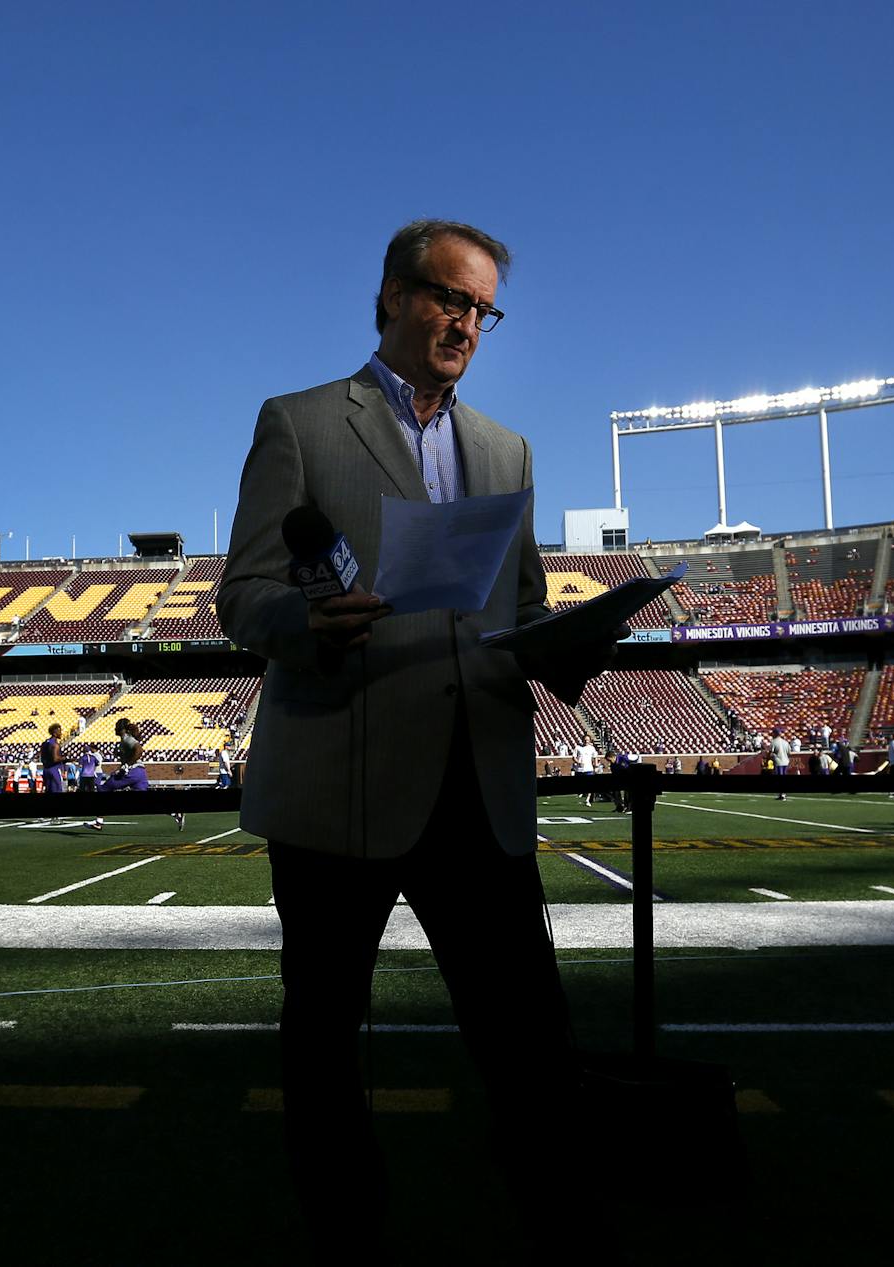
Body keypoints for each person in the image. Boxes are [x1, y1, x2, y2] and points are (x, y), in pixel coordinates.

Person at [216, 219, 623, 1258]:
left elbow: (521, 605)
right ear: (391, 296)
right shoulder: (300, 423)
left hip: (476, 780)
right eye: (449, 298)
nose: (466, 324)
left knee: (528, 1039)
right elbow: (242, 593)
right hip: (336, 776)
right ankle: (345, 1234)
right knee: (322, 1041)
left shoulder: (505, 448)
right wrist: (300, 622)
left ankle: (558, 1223)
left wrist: (560, 648)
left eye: (482, 308)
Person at [87, 718, 184, 831]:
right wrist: (120, 758)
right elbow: (130, 755)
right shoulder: (124, 741)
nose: (114, 729)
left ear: (121, 728)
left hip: (132, 772)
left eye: (116, 726)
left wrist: (126, 766)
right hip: (139, 772)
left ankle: (99, 822)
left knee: (103, 789)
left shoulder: (127, 739)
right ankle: (175, 813)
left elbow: (139, 750)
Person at [40, 724, 67, 795]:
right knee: (57, 790)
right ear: (55, 733)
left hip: (46, 770)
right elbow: (55, 759)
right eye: (59, 731)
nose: (61, 733)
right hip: (54, 769)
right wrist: (65, 759)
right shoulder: (55, 744)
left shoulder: (45, 743)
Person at [572, 732, 597, 805]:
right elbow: (573, 757)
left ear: (590, 741)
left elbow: (595, 757)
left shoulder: (592, 748)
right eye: (585, 740)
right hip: (579, 769)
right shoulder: (578, 747)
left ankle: (587, 799)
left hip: (589, 769)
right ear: (582, 740)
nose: (586, 741)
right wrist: (578, 762)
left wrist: (595, 765)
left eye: (588, 740)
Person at [770, 727, 791, 799]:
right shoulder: (785, 742)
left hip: (779, 762)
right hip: (786, 761)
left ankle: (782, 794)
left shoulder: (773, 742)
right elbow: (789, 752)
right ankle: (782, 793)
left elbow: (771, 753)